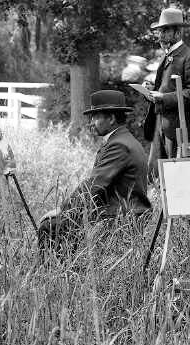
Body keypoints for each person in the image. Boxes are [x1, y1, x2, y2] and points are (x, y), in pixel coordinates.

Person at [39, 90, 151, 242]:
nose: (91, 122)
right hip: (120, 214)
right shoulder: (123, 139)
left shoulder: (119, 145)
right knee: (60, 225)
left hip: (121, 219)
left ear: (111, 118)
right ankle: (71, 265)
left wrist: (63, 210)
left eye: (95, 117)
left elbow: (94, 185)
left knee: (50, 227)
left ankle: (54, 266)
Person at [141, 7, 190, 176]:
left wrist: (163, 97)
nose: (160, 35)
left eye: (165, 30)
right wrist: (151, 91)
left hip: (178, 128)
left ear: (178, 33)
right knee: (154, 176)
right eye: (159, 31)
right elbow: (164, 88)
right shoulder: (166, 56)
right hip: (159, 124)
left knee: (175, 177)